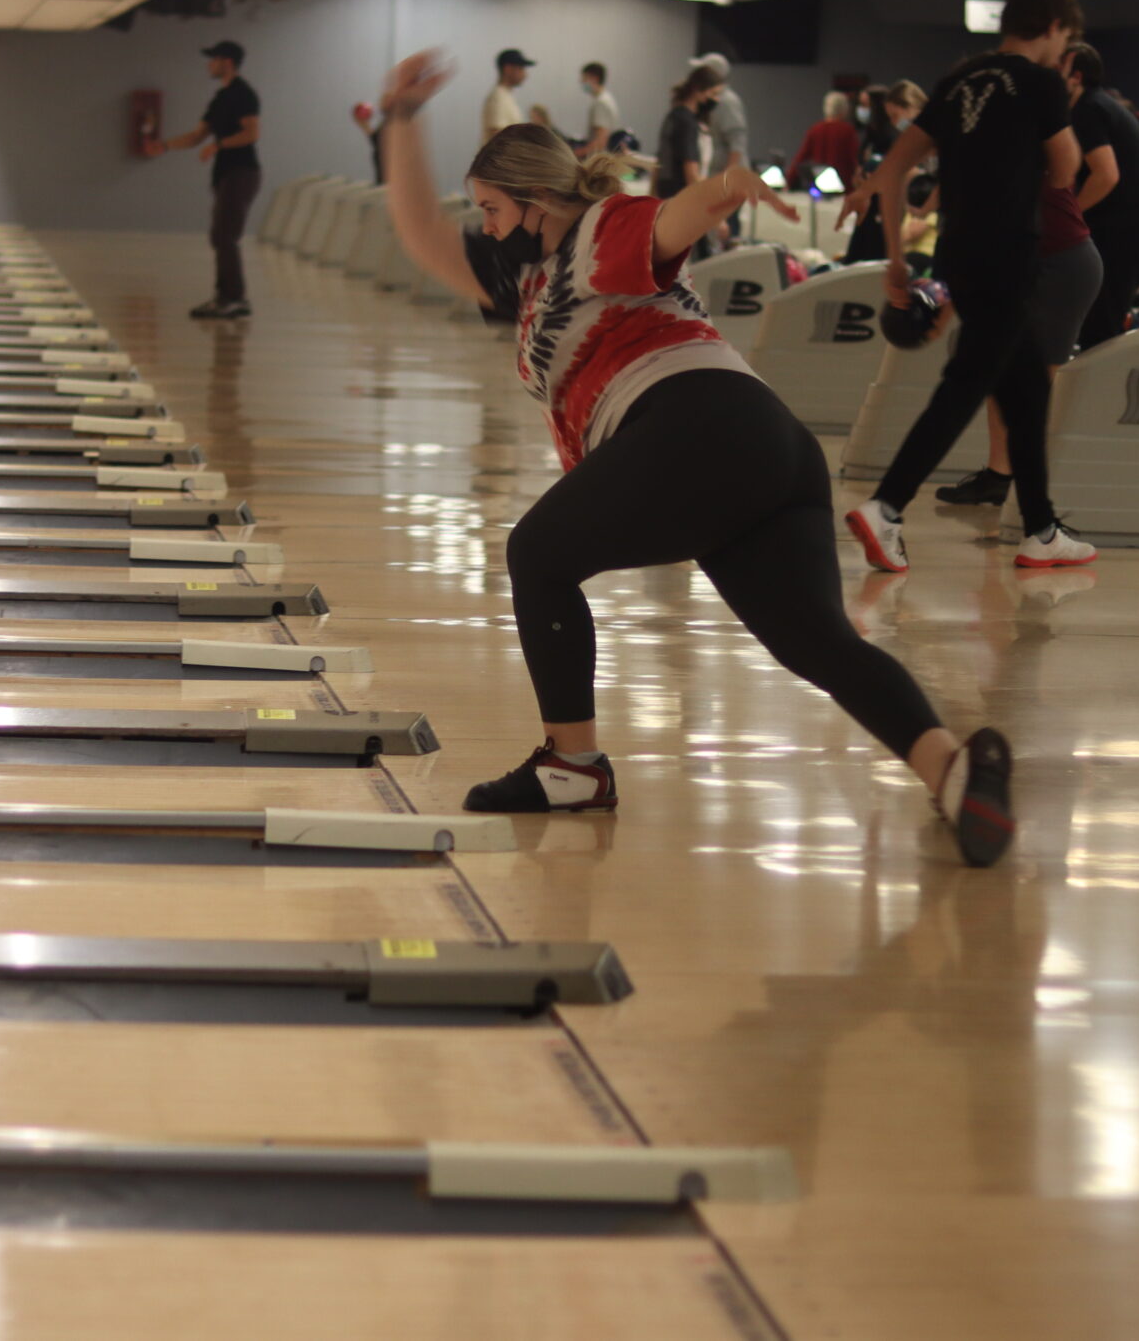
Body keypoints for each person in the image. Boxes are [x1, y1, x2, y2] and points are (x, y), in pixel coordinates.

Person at [372, 49, 1021, 867]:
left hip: (697, 426)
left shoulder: (598, 229)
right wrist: (401, 120)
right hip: (760, 448)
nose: (486, 226)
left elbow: (672, 219)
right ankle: (957, 772)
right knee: (816, 642)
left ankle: (572, 765)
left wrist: (724, 188)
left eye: (494, 209)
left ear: (539, 201)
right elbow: (421, 234)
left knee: (537, 551)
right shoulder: (527, 275)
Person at [839, 0, 1099, 574]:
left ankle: (1040, 529)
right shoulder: (1040, 83)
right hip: (1009, 253)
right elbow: (1068, 168)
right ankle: (887, 506)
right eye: (1067, 37)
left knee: (1026, 391)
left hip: (959, 251)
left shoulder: (958, 80)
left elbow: (896, 167)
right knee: (966, 383)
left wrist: (897, 261)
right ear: (1056, 29)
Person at [936, 39, 1108, 509]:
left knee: (1029, 384)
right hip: (1049, 262)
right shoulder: (990, 141)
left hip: (1064, 265)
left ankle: (1035, 496)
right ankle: (999, 476)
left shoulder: (1016, 134)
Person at [143, 38, 261, 320]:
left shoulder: (244, 94)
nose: (209, 64)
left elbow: (251, 134)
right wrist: (166, 145)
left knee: (224, 236)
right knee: (220, 236)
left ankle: (232, 298)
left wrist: (219, 146)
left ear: (227, 63)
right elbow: (197, 136)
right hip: (225, 173)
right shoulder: (220, 98)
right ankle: (228, 296)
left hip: (242, 172)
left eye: (214, 59)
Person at [1060, 47, 1139, 348]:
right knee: (1102, 317)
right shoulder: (1103, 104)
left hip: (1123, 228)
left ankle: (1099, 392)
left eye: (1058, 71)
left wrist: (1071, 213)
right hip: (1135, 225)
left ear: (1076, 77)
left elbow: (1106, 174)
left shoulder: (1088, 109)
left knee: (1100, 323)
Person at [836, 81, 925, 263]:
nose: (894, 122)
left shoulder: (919, 140)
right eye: (889, 117)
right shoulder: (898, 138)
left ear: (911, 107)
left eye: (895, 115)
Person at [657, 64, 720, 200]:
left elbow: (660, 161)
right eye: (714, 94)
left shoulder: (673, 116)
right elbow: (691, 174)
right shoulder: (687, 123)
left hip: (666, 193)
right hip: (681, 195)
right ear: (698, 90)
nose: (716, 100)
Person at [788, 91, 863, 193]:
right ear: (845, 109)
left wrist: (788, 180)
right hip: (843, 186)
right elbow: (854, 159)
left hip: (820, 185)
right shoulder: (848, 131)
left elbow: (800, 158)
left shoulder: (815, 130)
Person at [483, 48, 536, 143]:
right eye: (521, 68)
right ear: (508, 69)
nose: (525, 74)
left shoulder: (505, 95)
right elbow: (497, 134)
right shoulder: (498, 97)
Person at [572, 62, 620, 156]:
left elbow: (600, 142)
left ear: (595, 78)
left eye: (584, 78)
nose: (581, 81)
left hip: (600, 161)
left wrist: (575, 154)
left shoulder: (601, 103)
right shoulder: (607, 98)